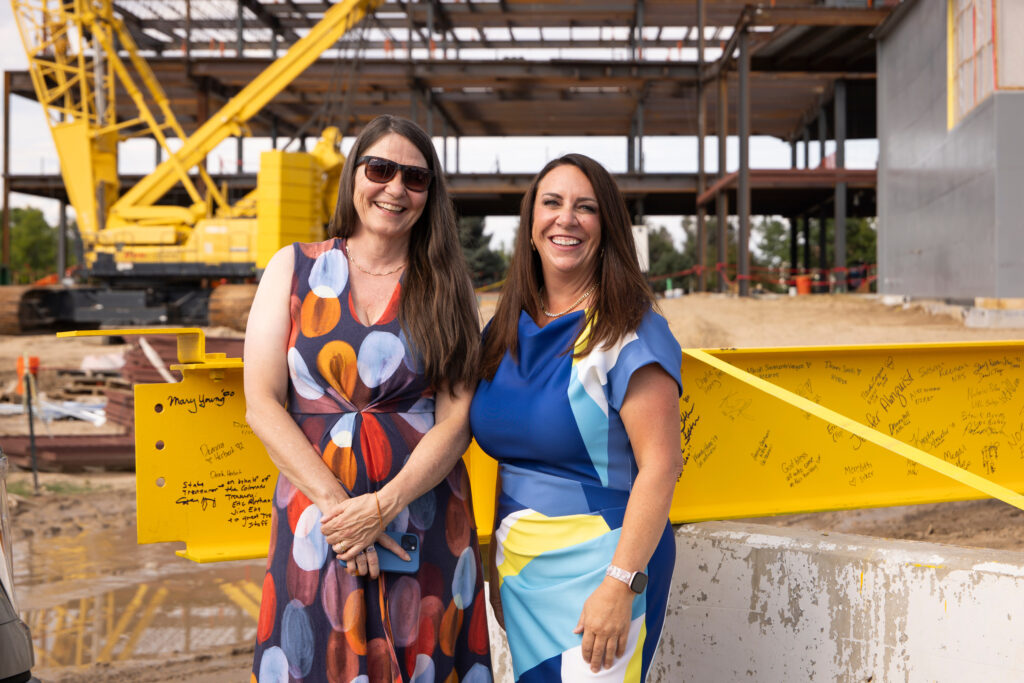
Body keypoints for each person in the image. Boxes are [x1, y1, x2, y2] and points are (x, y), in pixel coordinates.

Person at [244, 115, 492, 682]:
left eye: (415, 178)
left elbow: (456, 421)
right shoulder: (292, 267)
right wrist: (341, 512)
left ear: (430, 194)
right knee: (316, 655)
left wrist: (380, 507)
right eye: (380, 169)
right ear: (353, 175)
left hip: (423, 518)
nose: (395, 188)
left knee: (420, 655)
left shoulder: (448, 285)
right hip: (318, 520)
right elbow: (261, 401)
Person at [470, 154, 683, 681]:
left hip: (604, 568)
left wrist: (620, 584)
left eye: (585, 207)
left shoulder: (630, 329)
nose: (566, 218)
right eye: (552, 203)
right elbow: (509, 457)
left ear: (607, 227)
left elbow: (661, 466)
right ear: (531, 224)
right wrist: (494, 566)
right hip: (520, 567)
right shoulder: (503, 329)